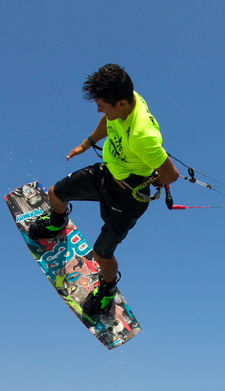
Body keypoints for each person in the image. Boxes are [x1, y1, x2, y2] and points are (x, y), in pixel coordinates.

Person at [27, 64, 180, 315]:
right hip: (106, 174)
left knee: (101, 254)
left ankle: (107, 291)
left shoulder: (143, 136)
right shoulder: (126, 100)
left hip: (128, 199)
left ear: (121, 104)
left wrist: (154, 179)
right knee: (54, 194)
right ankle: (56, 222)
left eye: (102, 105)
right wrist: (87, 143)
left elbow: (171, 174)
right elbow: (106, 121)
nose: (99, 109)